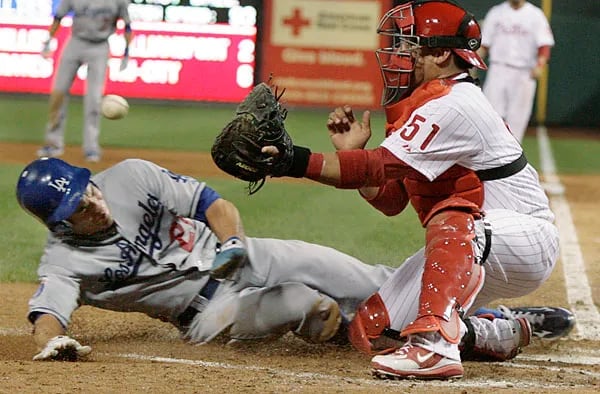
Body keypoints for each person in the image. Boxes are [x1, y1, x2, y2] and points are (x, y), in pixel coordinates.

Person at [258, 0, 560, 380]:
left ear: (441, 54)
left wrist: (293, 161)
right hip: (482, 241)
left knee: (453, 216)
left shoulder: (456, 103)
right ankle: (490, 331)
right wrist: (352, 154)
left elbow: (378, 165)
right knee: (373, 331)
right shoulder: (421, 104)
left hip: (523, 237)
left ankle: (434, 347)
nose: (399, 53)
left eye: (409, 45)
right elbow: (391, 200)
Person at [16, 157, 398, 361]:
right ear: (60, 226)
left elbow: (210, 203)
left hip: (242, 254)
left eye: (90, 193)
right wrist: (52, 343)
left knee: (362, 278)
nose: (94, 205)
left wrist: (232, 240)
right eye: (79, 209)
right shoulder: (64, 263)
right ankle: (374, 340)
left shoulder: (131, 176)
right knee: (302, 303)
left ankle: (446, 302)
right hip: (208, 314)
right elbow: (48, 316)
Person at [38, 0, 132, 162]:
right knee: (58, 93)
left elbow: (127, 25)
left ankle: (91, 148)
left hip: (100, 46)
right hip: (76, 42)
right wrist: (48, 41)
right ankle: (53, 143)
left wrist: (126, 51)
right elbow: (58, 17)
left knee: (94, 99)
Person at [478, 0, 555, 142]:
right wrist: (472, 61)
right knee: (490, 115)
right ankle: (489, 153)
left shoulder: (535, 15)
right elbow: (484, 45)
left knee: (517, 118)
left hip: (524, 72)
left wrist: (540, 65)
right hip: (498, 69)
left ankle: (511, 155)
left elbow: (544, 45)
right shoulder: (496, 12)